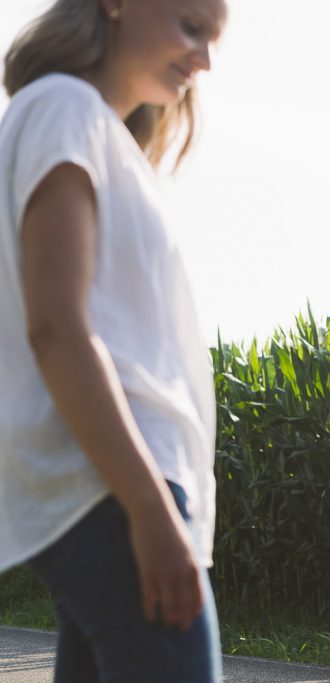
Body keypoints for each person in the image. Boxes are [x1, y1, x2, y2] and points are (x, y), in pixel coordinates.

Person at [0, 0, 228, 680]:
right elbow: (57, 328)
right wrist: (150, 510)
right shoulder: (64, 108)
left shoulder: (97, 132)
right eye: (191, 26)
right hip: (117, 485)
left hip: (113, 486)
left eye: (213, 39)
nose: (204, 58)